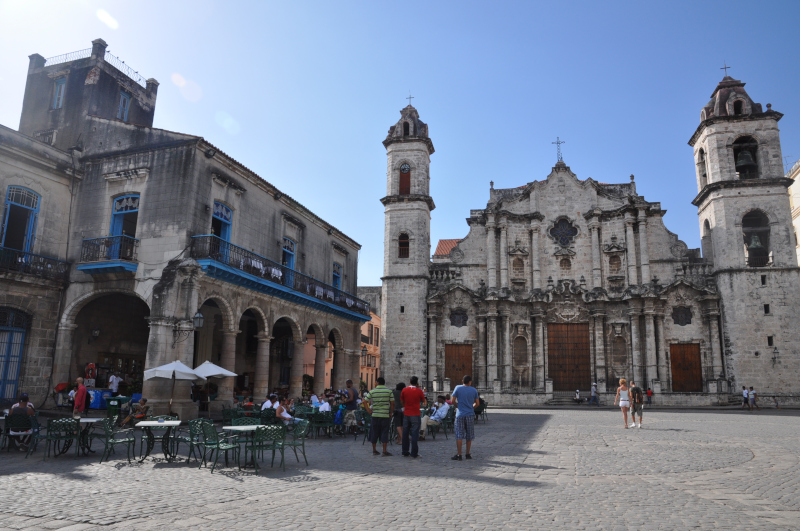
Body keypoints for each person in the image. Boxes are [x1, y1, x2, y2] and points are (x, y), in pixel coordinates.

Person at [451, 375, 480, 461]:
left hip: (460, 414)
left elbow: (453, 400)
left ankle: (459, 455)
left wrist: (457, 407)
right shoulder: (474, 390)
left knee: (459, 435)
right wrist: (471, 408)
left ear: (462, 380)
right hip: (470, 415)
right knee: (469, 435)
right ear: (470, 382)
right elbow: (477, 403)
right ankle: (467, 454)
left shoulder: (458, 388)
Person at [364, 377, 394, 456]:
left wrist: (368, 410)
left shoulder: (372, 391)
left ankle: (374, 450)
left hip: (375, 415)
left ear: (377, 383)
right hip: (385, 415)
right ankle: (384, 451)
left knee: (374, 432)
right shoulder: (389, 391)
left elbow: (365, 401)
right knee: (385, 432)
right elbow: (392, 403)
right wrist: (391, 412)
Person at [400, 376, 426, 458]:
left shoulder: (404, 390)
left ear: (410, 381)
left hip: (407, 413)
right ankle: (414, 453)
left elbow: (402, 401)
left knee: (405, 433)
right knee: (415, 434)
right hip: (415, 413)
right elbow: (423, 400)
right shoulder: (419, 391)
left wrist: (405, 407)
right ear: (417, 382)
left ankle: (405, 451)